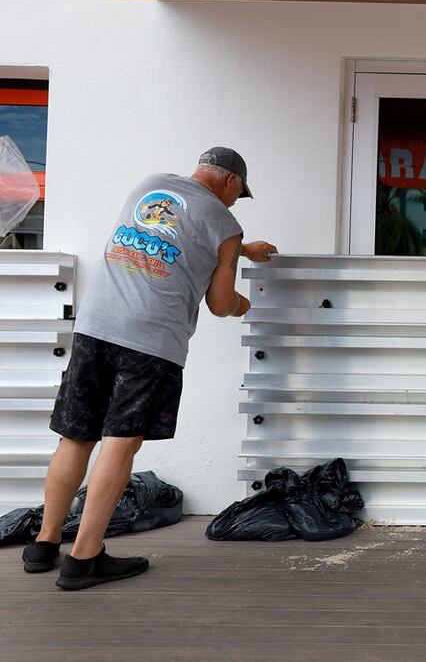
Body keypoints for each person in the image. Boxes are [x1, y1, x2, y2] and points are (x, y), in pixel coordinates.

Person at [20, 147, 278, 590]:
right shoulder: (225, 225)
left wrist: (241, 249)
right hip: (150, 341)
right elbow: (218, 303)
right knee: (119, 444)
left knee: (77, 434)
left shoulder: (150, 184)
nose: (236, 202)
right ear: (232, 182)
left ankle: (45, 543)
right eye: (239, 194)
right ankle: (84, 558)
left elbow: (177, 236)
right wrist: (243, 304)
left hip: (95, 324)